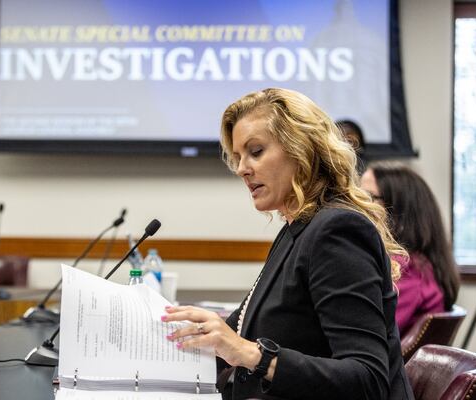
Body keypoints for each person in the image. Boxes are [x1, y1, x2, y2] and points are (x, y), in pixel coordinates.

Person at [162, 88, 413, 400]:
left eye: (255, 152)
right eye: (238, 157)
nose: (242, 168)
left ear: (301, 150)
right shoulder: (297, 229)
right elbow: (235, 332)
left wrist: (252, 354)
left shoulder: (336, 231)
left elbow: (367, 380)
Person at [360, 163, 460, 336]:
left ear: (399, 208)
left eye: (368, 197)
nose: (357, 205)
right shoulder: (422, 264)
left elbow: (367, 333)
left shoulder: (407, 269)